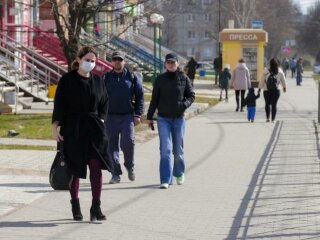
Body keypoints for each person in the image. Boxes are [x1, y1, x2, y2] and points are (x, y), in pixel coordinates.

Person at [52, 46, 113, 221]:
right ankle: (75, 205)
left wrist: (101, 118)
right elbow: (59, 106)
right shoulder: (67, 80)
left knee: (96, 167)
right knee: (76, 169)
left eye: (93, 60)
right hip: (73, 129)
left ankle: (96, 207)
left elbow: (105, 102)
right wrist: (55, 128)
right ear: (78, 60)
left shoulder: (98, 80)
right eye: (87, 59)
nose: (90, 63)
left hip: (94, 129)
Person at [146, 53, 195, 189]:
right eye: (168, 62)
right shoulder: (160, 79)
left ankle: (179, 173)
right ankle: (165, 179)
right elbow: (154, 99)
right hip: (163, 119)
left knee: (178, 150)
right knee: (165, 150)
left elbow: (191, 95)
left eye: (173, 62)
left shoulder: (183, 78)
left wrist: (183, 105)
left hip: (178, 119)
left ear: (178, 64)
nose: (171, 65)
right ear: (165, 64)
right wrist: (149, 117)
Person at [104, 50, 144, 184]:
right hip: (110, 117)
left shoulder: (132, 77)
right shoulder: (106, 77)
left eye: (119, 59)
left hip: (127, 116)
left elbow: (140, 96)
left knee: (128, 142)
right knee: (111, 147)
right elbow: (100, 97)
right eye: (114, 59)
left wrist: (137, 114)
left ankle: (129, 165)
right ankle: (115, 173)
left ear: (124, 61)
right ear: (111, 62)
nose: (117, 61)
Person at [258, 58, 286, 123]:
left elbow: (262, 81)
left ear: (270, 64)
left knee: (267, 104)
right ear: (277, 63)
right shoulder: (280, 71)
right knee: (274, 105)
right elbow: (283, 80)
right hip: (276, 90)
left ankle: (267, 118)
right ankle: (273, 119)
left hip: (266, 90)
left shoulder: (265, 71)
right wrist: (284, 87)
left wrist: (259, 89)